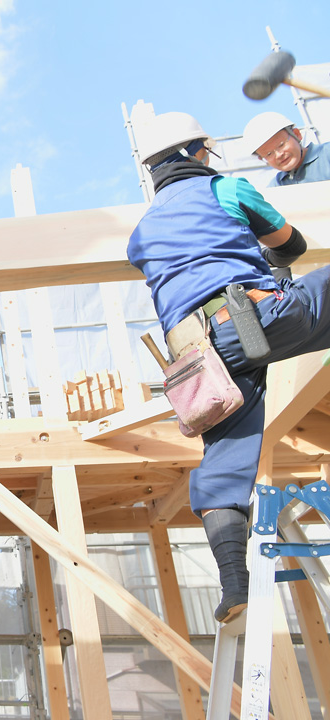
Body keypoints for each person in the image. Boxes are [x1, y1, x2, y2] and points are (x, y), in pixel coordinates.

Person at [128, 111, 322, 623]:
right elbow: (292, 246)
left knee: (223, 464)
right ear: (196, 152)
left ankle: (234, 585)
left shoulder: (141, 233)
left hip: (203, 360)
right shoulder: (225, 189)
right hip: (256, 317)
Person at [240, 111, 330, 186]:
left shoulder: (327, 154)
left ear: (297, 134)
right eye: (269, 154)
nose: (279, 155)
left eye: (281, 145)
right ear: (262, 159)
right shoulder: (276, 187)